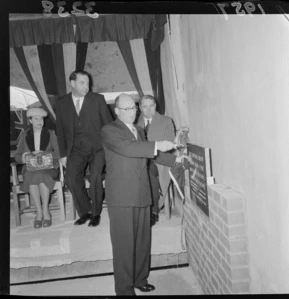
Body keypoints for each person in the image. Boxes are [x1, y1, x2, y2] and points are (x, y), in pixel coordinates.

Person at [101, 93, 183, 296]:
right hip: (121, 197)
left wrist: (176, 160)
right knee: (124, 246)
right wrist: (157, 144)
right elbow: (128, 148)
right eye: (126, 109)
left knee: (142, 242)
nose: (132, 112)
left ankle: (139, 279)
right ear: (117, 111)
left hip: (142, 193)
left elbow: (150, 156)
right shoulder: (109, 130)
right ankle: (124, 290)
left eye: (133, 108)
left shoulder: (139, 130)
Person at [55, 70, 113, 227]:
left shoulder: (97, 100)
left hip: (98, 148)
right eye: (82, 83)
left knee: (95, 178)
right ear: (72, 83)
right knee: (71, 179)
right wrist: (62, 154)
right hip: (76, 149)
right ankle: (85, 211)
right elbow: (59, 131)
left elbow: (108, 125)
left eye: (88, 83)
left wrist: (111, 148)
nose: (86, 86)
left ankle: (96, 213)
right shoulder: (61, 103)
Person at [14, 107, 60, 229]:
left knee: (41, 175)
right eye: (36, 119)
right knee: (31, 175)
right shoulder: (25, 135)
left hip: (49, 168)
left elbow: (60, 153)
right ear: (30, 121)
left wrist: (45, 154)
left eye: (41, 119)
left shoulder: (51, 134)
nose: (40, 121)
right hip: (30, 169)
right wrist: (23, 156)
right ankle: (39, 212)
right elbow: (17, 156)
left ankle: (46, 211)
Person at [137, 94, 176, 226]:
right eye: (144, 106)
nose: (148, 110)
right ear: (140, 108)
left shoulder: (166, 121)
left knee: (148, 171)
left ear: (156, 106)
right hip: (140, 161)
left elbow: (170, 146)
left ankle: (153, 211)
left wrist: (151, 152)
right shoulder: (136, 123)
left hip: (159, 160)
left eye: (151, 106)